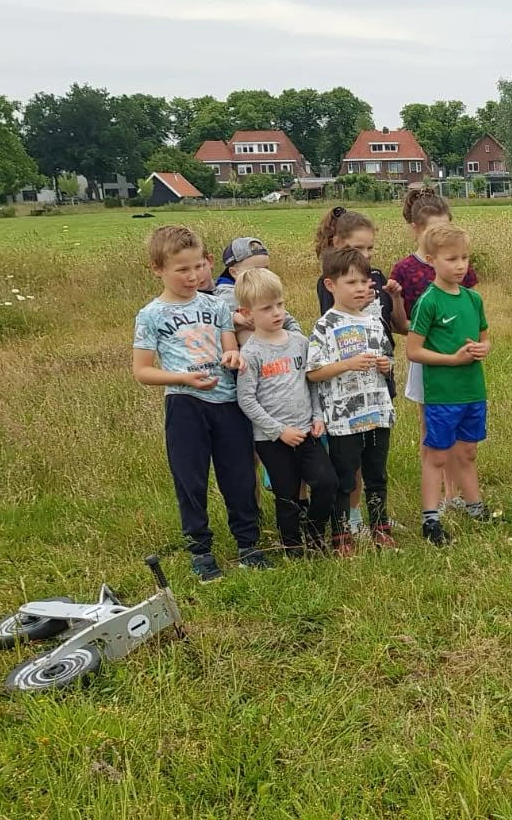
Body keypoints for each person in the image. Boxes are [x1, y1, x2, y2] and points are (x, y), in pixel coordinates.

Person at [130, 225, 270, 582]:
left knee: (238, 475)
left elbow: (230, 347)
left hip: (227, 402)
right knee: (190, 479)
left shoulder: (215, 306)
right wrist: (182, 378)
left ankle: (248, 544)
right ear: (157, 269)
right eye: (182, 270)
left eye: (198, 267)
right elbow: (143, 371)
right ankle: (201, 551)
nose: (193, 276)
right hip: (185, 404)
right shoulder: (151, 315)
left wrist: (234, 359)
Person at [233, 268, 335, 557]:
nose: (277, 312)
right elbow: (247, 400)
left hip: (306, 431)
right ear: (247, 313)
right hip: (272, 439)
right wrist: (279, 431)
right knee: (286, 494)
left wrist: (317, 417)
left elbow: (312, 382)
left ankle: (315, 536)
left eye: (280, 304)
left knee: (326, 482)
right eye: (267, 308)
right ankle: (292, 547)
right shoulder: (251, 354)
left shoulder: (299, 342)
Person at [305, 247, 397, 553]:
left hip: (377, 411)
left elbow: (385, 357)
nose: (361, 289)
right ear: (330, 285)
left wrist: (386, 366)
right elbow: (314, 372)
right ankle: (342, 535)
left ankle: (380, 528)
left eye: (365, 282)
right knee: (346, 479)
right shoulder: (325, 326)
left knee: (377, 475)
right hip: (344, 419)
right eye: (352, 282)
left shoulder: (374, 321)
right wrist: (347, 364)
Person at [408, 223, 493, 547]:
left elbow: (485, 337)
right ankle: (430, 517)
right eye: (452, 259)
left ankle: (475, 506)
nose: (460, 265)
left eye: (465, 258)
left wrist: (484, 348)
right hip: (442, 392)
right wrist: (452, 360)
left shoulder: (473, 299)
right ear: (431, 259)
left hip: (473, 389)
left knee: (468, 452)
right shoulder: (428, 302)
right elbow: (413, 350)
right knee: (438, 455)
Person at [392, 190, 476, 507]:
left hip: (461, 359)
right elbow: (401, 324)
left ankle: (455, 493)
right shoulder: (404, 270)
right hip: (428, 358)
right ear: (417, 229)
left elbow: (472, 307)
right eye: (433, 232)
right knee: (432, 426)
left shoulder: (459, 267)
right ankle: (436, 493)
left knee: (459, 427)